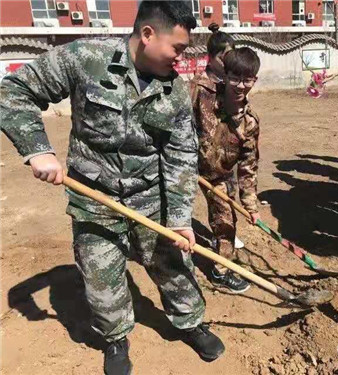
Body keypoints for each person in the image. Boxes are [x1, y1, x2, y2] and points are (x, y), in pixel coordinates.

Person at [0, 2, 225, 373]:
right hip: (94, 198)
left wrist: (181, 218)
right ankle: (115, 337)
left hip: (149, 196)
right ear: (148, 34)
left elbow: (182, 155)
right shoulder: (86, 57)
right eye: (178, 49)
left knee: (173, 264)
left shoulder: (175, 91)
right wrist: (37, 150)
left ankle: (190, 322)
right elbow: (15, 92)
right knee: (101, 276)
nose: (181, 59)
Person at [191, 47, 261, 293]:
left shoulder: (249, 123)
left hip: (218, 177)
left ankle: (220, 271)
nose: (240, 85)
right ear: (225, 74)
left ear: (255, 80)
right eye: (235, 77)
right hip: (184, 167)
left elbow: (248, 167)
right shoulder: (202, 92)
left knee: (226, 221)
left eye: (247, 79)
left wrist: (251, 206)